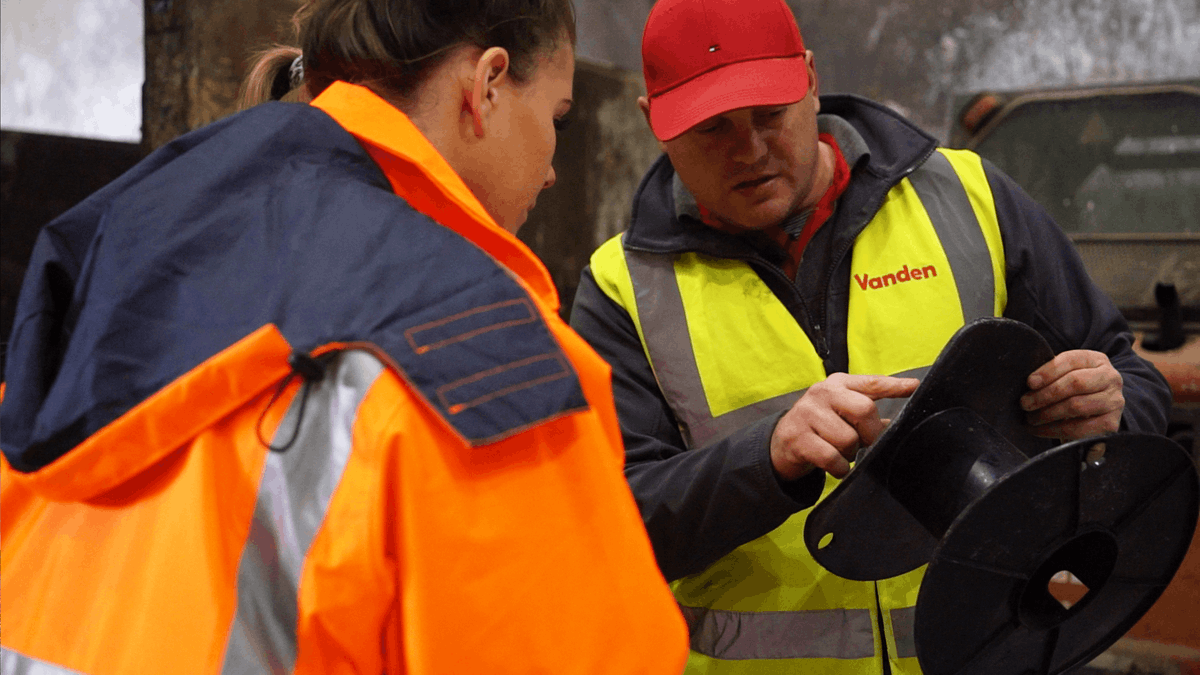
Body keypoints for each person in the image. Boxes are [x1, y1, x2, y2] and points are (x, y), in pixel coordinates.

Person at [0, 1, 690, 673]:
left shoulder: (112, 251)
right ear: (486, 86)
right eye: (557, 120)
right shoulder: (479, 355)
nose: (551, 166)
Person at [569, 0, 1172, 672]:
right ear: (654, 122)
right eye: (712, 129)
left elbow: (1133, 378)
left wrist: (1111, 405)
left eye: (770, 114)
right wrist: (763, 458)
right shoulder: (624, 289)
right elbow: (613, 525)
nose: (750, 149)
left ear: (811, 79)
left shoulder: (969, 201)